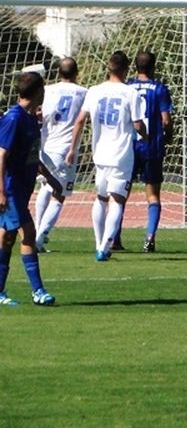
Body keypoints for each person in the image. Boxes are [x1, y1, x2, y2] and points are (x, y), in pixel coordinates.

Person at [67, 51, 147, 262]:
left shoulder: (94, 91)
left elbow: (80, 120)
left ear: (108, 68)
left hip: (100, 154)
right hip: (121, 154)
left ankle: (98, 242)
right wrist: (146, 134)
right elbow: (138, 124)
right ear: (126, 69)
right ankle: (104, 246)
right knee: (117, 200)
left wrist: (73, 148)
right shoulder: (131, 93)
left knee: (101, 199)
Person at [0, 71, 56, 306]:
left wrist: (50, 178)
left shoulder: (31, 117)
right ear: (37, 92)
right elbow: (1, 156)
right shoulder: (14, 118)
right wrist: (1, 191)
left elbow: (31, 155)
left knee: (7, 238)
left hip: (22, 189)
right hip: (11, 189)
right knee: (29, 234)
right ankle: (38, 291)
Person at [34, 57, 88, 252]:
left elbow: (39, 114)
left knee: (45, 187)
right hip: (66, 149)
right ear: (77, 73)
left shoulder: (47, 90)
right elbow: (82, 119)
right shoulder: (84, 93)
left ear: (58, 72)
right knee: (59, 195)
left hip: (46, 146)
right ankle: (40, 237)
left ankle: (37, 232)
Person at [126, 51, 173, 252]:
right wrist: (169, 135)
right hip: (152, 147)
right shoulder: (159, 88)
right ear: (153, 67)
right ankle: (149, 237)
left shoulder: (127, 87)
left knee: (121, 193)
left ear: (136, 67)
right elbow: (166, 119)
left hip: (129, 147)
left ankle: (113, 238)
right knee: (153, 195)